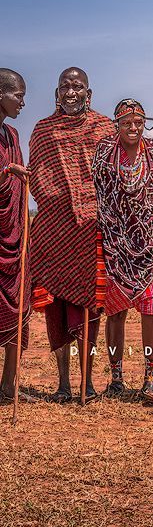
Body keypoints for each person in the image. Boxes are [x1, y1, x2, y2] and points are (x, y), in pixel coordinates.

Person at [29, 67, 115, 402]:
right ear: (56, 94)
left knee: (89, 306)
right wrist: (61, 203)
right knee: (58, 308)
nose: (71, 91)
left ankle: (88, 382)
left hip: (93, 232)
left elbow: (112, 175)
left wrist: (93, 207)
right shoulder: (43, 130)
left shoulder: (105, 128)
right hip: (54, 230)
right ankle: (64, 383)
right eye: (65, 86)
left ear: (88, 94)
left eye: (77, 86)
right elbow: (38, 177)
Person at [93, 100, 153, 405]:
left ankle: (151, 377)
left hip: (148, 243)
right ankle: (116, 377)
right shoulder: (104, 153)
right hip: (116, 243)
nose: (133, 128)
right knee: (115, 313)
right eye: (127, 123)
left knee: (152, 311)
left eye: (139, 122)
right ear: (116, 124)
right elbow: (96, 192)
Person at [0, 69, 32, 403]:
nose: (23, 102)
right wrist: (7, 172)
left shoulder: (12, 135)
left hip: (13, 234)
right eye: (18, 95)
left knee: (18, 307)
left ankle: (9, 385)